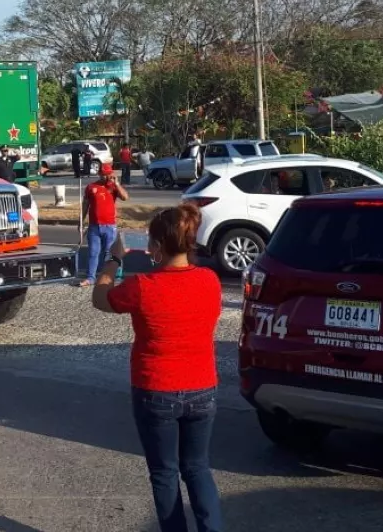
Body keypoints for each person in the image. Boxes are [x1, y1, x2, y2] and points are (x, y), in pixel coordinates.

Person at [92, 204, 223, 532]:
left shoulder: (143, 286)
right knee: (197, 468)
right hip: (202, 387)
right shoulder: (210, 280)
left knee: (165, 474)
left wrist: (114, 259)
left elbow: (100, 298)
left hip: (156, 389)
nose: (148, 247)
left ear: (159, 247)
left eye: (151, 242)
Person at [80, 163, 129, 287]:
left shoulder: (113, 187)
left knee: (110, 253)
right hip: (94, 226)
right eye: (103, 174)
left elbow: (125, 197)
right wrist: (80, 220)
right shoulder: (91, 187)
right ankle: (90, 278)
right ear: (99, 173)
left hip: (109, 226)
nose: (106, 177)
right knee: (93, 252)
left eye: (108, 174)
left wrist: (116, 183)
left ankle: (112, 277)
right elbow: (85, 204)